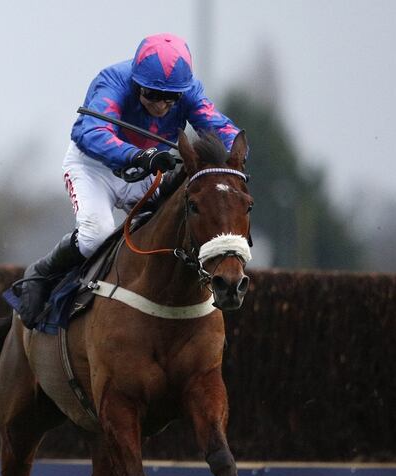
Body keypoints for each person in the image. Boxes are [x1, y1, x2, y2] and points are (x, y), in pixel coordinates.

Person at [13, 32, 241, 328]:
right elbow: (92, 133)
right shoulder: (112, 81)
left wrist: (232, 161)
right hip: (93, 169)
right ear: (136, 84)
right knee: (96, 235)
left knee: (175, 224)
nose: (161, 106)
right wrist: (138, 155)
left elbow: (223, 130)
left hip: (145, 172)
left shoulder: (190, 91)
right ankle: (42, 273)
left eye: (171, 98)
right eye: (152, 95)